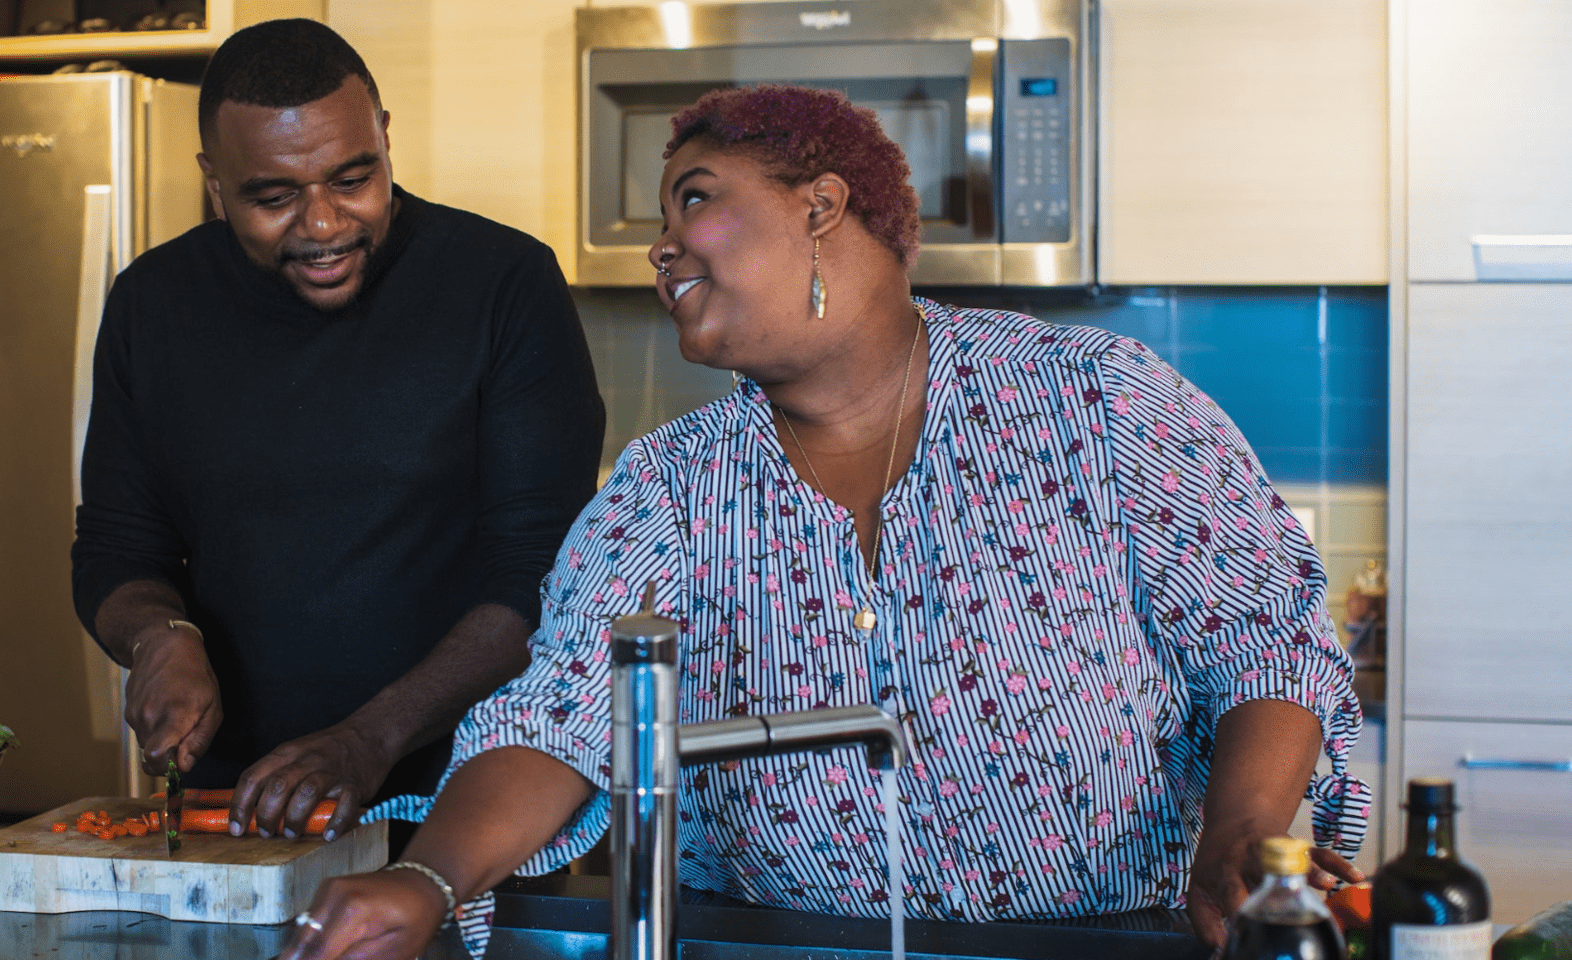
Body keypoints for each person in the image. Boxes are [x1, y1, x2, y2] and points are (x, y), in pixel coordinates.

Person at [280, 85, 1368, 959]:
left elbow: (1260, 640)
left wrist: (1240, 832)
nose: (663, 249)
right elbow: (559, 721)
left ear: (821, 205)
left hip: (1102, 942)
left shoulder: (1099, 400)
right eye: (658, 223)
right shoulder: (670, 486)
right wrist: (427, 876)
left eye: (694, 201)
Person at [70, 19, 604, 841]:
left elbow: (543, 576)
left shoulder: (502, 285)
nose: (322, 225)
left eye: (353, 178)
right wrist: (156, 637)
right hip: (237, 811)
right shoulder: (154, 305)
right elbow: (115, 545)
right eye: (274, 196)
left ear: (386, 140)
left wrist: (368, 740)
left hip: (469, 810)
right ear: (216, 184)